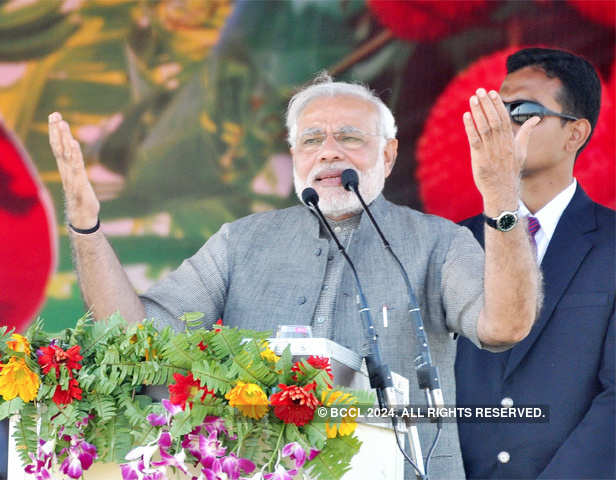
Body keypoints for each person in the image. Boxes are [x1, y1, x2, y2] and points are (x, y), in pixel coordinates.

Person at [48, 73, 540, 478]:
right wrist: (87, 229)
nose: (328, 151)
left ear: (388, 156)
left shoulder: (437, 241)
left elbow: (504, 326)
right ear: (294, 158)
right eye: (311, 140)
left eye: (348, 137)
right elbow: (140, 338)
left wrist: (500, 198)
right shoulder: (238, 242)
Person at [455, 48, 615, 479]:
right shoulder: (455, 242)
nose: (500, 122)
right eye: (494, 107)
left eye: (521, 110)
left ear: (574, 133)